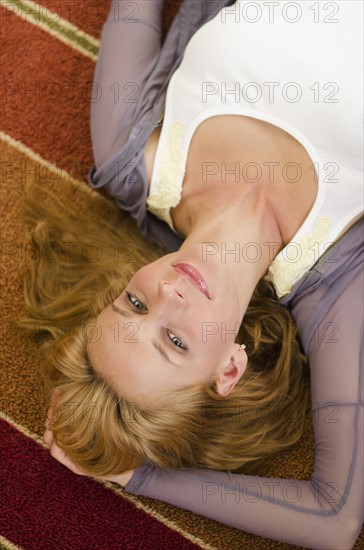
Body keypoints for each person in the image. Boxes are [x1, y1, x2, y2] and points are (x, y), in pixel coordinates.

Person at [25, 1, 362, 548]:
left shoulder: (131, 156)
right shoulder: (335, 281)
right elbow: (336, 518)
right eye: (176, 341)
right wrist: (140, 477)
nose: (170, 293)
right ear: (229, 369)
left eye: (134, 305)